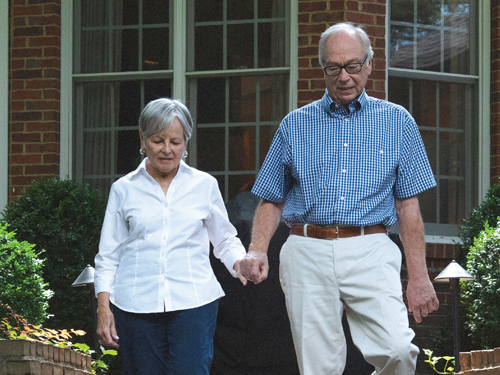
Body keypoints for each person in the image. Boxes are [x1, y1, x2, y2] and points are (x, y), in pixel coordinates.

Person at [240, 22, 440, 375]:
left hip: (371, 246)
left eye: (353, 65)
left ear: (369, 64)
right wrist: (257, 248)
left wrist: (419, 278)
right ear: (322, 69)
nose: (344, 76)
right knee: (319, 367)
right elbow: (272, 198)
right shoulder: (295, 125)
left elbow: (408, 207)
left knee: (398, 351)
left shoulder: (398, 122)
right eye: (333, 67)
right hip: (306, 249)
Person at [94, 98, 249, 375]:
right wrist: (104, 309)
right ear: (142, 139)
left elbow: (224, 240)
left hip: (194, 303)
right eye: (157, 140)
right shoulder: (123, 190)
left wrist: (241, 263)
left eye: (175, 142)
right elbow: (108, 256)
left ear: (186, 142)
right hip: (135, 306)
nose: (167, 149)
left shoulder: (204, 185)